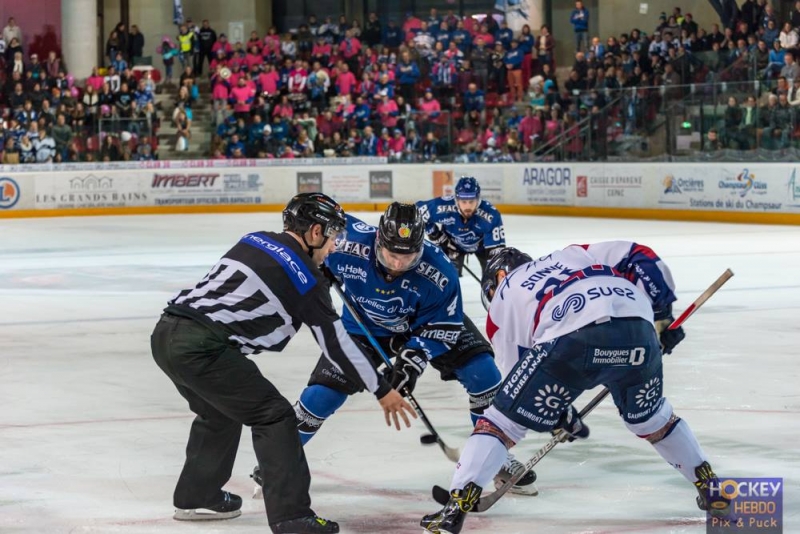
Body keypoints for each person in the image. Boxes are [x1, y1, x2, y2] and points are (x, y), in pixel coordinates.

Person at [151, 193, 415, 534]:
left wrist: (316, 276)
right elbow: (336, 345)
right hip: (202, 347)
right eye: (333, 238)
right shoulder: (306, 278)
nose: (334, 248)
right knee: (275, 416)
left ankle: (197, 497)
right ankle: (292, 517)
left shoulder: (255, 239)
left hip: (166, 333)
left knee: (219, 411)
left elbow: (266, 280)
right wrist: (382, 389)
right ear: (315, 232)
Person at [421, 244, 729, 534]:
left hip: (573, 339)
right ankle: (711, 488)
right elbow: (640, 255)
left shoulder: (503, 297)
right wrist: (662, 316)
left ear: (496, 280)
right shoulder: (573, 254)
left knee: (501, 422)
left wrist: (558, 412)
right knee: (653, 420)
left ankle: (455, 508)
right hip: (639, 330)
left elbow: (519, 380)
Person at [264, 203, 536, 495]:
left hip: (425, 325)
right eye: (391, 254)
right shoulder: (347, 243)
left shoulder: (439, 271)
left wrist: (413, 360)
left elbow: (444, 325)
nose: (397, 263)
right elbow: (308, 227)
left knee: (483, 373)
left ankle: (493, 456)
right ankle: (278, 461)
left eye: (408, 256)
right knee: (322, 394)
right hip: (364, 328)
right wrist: (316, 265)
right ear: (378, 241)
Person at [416, 176, 505, 277]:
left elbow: (496, 250)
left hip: (483, 246)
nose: (467, 206)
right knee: (447, 279)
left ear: (478, 200)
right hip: (452, 245)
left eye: (471, 201)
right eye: (463, 202)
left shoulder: (491, 215)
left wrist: (494, 274)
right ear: (456, 200)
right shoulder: (442, 207)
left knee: (493, 278)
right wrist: (435, 235)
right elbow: (416, 213)